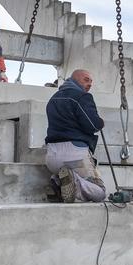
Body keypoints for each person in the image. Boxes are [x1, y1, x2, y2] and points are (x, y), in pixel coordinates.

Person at [44, 69, 107, 203]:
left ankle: (58, 182)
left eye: (91, 81)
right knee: (100, 192)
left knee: (73, 185)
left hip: (52, 156)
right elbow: (93, 125)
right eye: (86, 80)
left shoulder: (53, 99)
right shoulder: (82, 96)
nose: (89, 84)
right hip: (75, 154)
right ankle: (73, 180)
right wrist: (101, 122)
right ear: (75, 79)